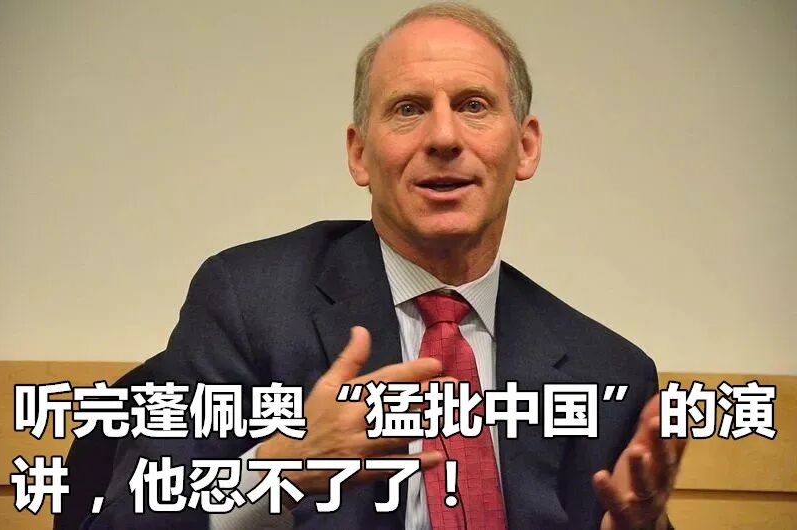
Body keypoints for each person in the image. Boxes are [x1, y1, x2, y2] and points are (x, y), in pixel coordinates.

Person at [86, 3, 686, 529]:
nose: (444, 136)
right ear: (360, 154)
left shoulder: (609, 374)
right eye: (408, 109)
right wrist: (279, 473)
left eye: (473, 105)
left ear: (525, 148)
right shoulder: (249, 305)